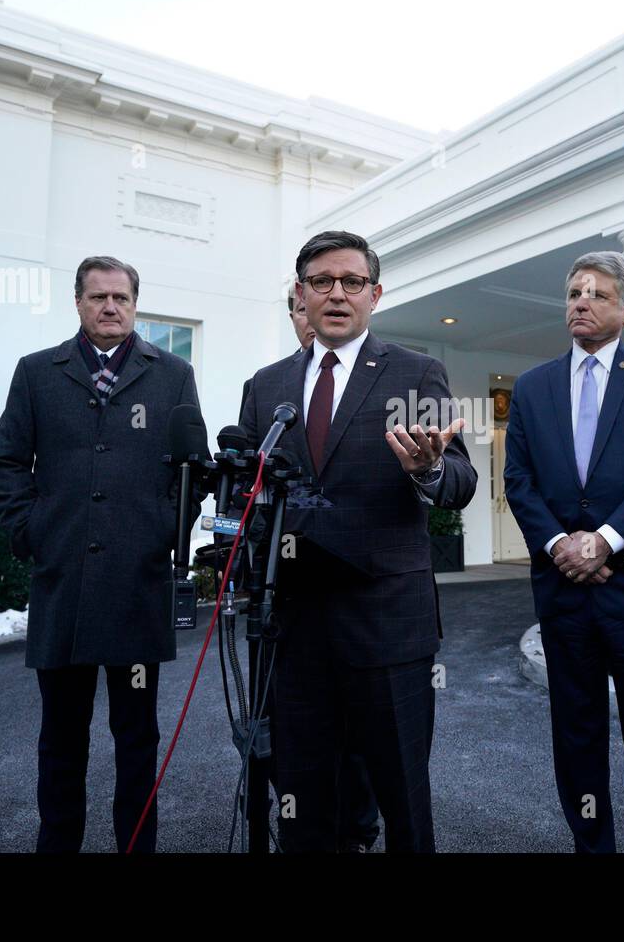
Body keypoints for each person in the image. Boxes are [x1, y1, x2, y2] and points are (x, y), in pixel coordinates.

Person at [239, 230, 477, 853]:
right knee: (302, 797)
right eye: (322, 282)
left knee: (401, 794)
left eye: (351, 283)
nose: (336, 294)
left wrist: (427, 469)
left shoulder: (414, 372)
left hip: (386, 622)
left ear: (375, 294)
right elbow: (249, 490)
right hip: (292, 627)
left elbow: (460, 481)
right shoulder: (266, 386)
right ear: (302, 294)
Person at [0, 255, 203, 853]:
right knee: (61, 738)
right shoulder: (37, 373)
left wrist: (166, 530)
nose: (111, 307)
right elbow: (4, 465)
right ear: (78, 303)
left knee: (137, 739)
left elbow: (193, 471)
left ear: (136, 305)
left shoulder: (173, 374)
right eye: (98, 297)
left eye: (122, 299)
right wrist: (32, 531)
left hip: (139, 582)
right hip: (63, 584)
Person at [503, 250, 624, 853]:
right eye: (574, 293)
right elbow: (520, 481)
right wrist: (561, 544)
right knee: (578, 741)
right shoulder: (532, 387)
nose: (581, 302)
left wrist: (604, 541)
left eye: (598, 294)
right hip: (564, 595)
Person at [239, 291, 382, 853]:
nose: (311, 319)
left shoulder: (375, 381)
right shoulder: (270, 391)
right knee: (287, 729)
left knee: (358, 734)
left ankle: (358, 831)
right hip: (284, 598)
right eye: (299, 311)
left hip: (359, 597)